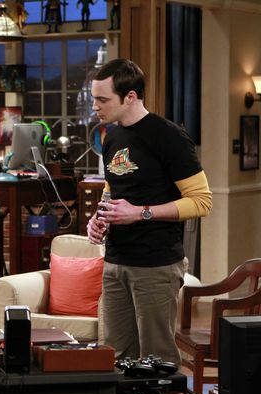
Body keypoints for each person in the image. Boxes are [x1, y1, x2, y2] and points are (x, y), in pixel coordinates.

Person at [86, 59, 212, 367]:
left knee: (158, 360)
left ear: (130, 96)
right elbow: (112, 187)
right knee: (114, 358)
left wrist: (139, 213)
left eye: (102, 99)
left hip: (156, 265)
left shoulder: (169, 136)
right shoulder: (111, 137)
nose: (95, 107)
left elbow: (202, 202)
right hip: (115, 262)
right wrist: (98, 218)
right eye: (94, 99)